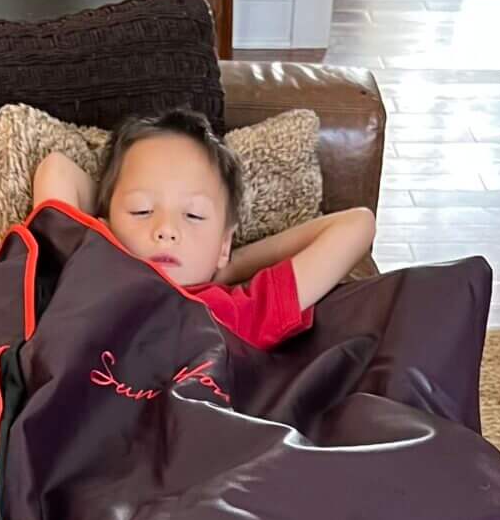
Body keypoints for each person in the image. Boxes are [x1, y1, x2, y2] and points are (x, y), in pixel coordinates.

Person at [29, 108, 377, 350]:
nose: (165, 229)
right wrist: (104, 235)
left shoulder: (241, 312)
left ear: (223, 243)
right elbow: (56, 171)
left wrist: (231, 264)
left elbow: (357, 224)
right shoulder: (87, 281)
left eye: (193, 215)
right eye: (142, 209)